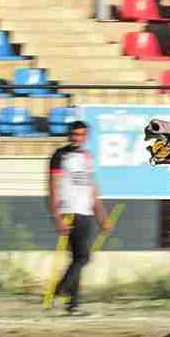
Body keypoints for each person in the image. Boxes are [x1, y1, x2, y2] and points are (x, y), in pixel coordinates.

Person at [48, 120, 111, 315]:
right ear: (69, 135)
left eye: (81, 135)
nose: (77, 138)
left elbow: (92, 187)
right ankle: (61, 289)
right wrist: (57, 216)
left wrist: (101, 216)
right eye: (74, 134)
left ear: (86, 136)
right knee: (83, 257)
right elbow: (52, 188)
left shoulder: (87, 157)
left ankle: (72, 305)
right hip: (70, 211)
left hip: (86, 212)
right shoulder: (60, 155)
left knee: (78, 258)